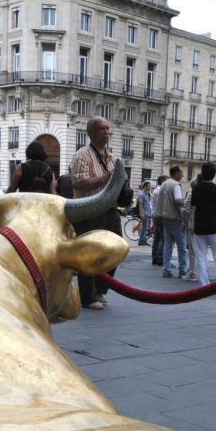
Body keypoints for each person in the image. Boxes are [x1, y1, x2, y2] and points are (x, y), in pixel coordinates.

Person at [69, 116, 122, 309]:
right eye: (102, 129)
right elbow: (78, 182)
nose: (106, 132)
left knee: (115, 249)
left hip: (110, 209)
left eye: (108, 128)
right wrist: (107, 177)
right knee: (90, 252)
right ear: (90, 133)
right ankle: (87, 296)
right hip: (89, 210)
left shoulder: (112, 157)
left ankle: (100, 289)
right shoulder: (82, 155)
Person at [190, 162, 216, 288]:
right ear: (214, 174)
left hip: (199, 226)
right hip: (215, 226)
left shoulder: (196, 189)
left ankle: (203, 283)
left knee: (200, 256)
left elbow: (193, 204)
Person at [154, 166, 188, 279]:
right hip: (175, 218)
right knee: (181, 245)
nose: (182, 175)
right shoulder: (176, 185)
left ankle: (166, 269)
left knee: (168, 245)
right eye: (181, 172)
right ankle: (183, 270)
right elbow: (178, 201)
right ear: (176, 173)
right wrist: (186, 202)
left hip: (164, 217)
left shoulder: (164, 184)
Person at [183, 177, 200, 281]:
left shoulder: (191, 194)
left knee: (192, 249)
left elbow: (186, 210)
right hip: (202, 225)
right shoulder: (203, 195)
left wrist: (183, 222)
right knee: (200, 250)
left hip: (192, 224)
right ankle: (200, 272)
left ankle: (193, 273)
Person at [151, 174, 168, 266]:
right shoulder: (161, 190)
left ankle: (154, 257)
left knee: (157, 237)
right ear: (162, 181)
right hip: (160, 215)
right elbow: (161, 204)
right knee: (162, 237)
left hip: (155, 215)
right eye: (166, 180)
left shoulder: (156, 190)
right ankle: (160, 257)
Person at [136, 181, 153, 247]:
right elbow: (140, 205)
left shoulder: (147, 194)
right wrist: (141, 214)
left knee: (145, 228)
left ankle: (143, 240)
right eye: (149, 186)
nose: (150, 187)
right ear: (145, 186)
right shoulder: (142, 195)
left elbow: (149, 203)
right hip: (145, 214)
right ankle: (142, 241)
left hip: (148, 213)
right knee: (144, 228)